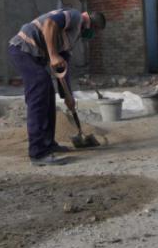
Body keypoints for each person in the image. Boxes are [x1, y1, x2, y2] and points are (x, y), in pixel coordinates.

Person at [8, 9, 106, 166]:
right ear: (90, 23)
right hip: (23, 49)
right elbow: (49, 24)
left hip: (34, 54)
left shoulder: (72, 36)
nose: (92, 35)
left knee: (47, 92)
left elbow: (63, 66)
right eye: (94, 30)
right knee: (40, 88)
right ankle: (38, 153)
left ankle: (48, 144)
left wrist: (67, 95)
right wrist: (53, 55)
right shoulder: (75, 17)